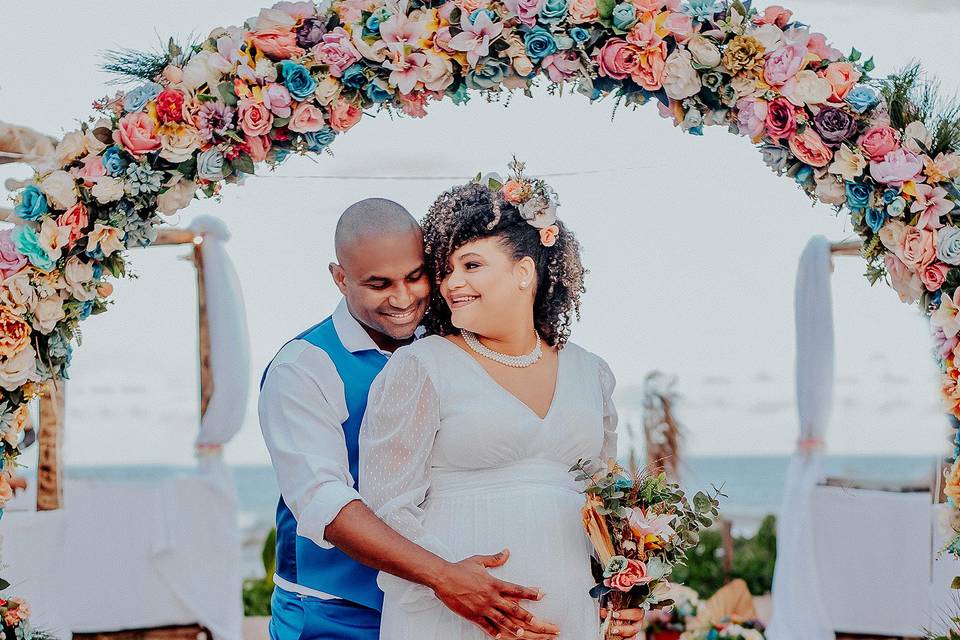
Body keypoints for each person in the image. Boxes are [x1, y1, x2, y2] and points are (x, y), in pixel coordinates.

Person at [359, 168, 645, 639]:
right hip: (453, 619)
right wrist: (455, 587)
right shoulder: (422, 366)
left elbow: (606, 507)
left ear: (524, 272)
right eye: (445, 270)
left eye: (471, 265)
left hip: (569, 619)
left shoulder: (590, 372)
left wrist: (624, 595)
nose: (451, 284)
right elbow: (388, 509)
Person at [259, 198, 559, 640]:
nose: (403, 298)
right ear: (340, 279)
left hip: (446, 609)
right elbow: (323, 501)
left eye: (415, 277)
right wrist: (444, 577)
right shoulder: (302, 368)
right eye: (379, 284)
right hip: (338, 615)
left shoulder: (454, 343)